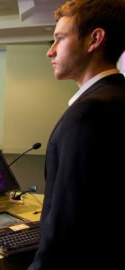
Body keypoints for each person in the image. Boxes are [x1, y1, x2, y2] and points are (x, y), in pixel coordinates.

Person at [28, 1, 125, 269]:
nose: (50, 51)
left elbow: (68, 227)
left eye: (60, 38)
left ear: (94, 39)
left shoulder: (89, 113)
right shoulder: (118, 96)